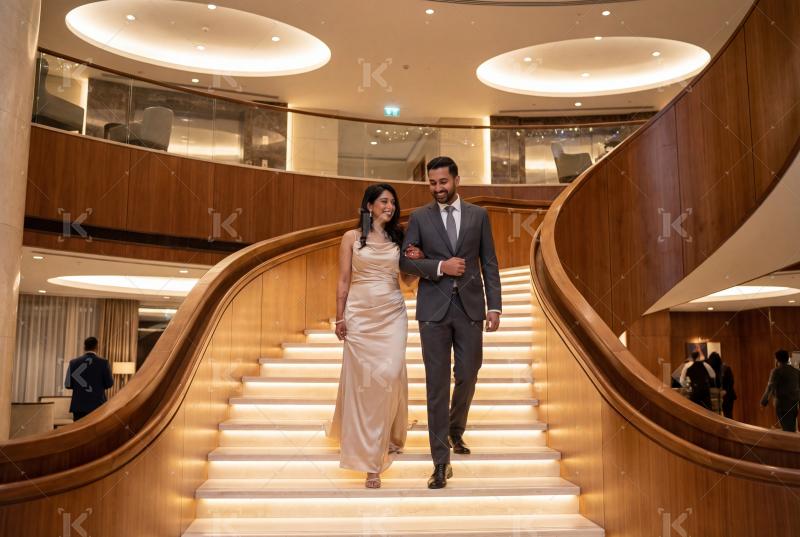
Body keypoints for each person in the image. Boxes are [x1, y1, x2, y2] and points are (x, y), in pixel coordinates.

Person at [399, 156, 502, 489]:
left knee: (468, 373)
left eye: (443, 182)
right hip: (433, 311)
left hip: (470, 308)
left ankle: (455, 430)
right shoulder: (420, 217)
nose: (437, 188)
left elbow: (489, 261)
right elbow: (406, 263)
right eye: (432, 183)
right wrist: (440, 266)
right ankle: (440, 462)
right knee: (436, 384)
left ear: (457, 180)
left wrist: (494, 306)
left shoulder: (478, 215)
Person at [328, 183, 422, 489]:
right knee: (363, 385)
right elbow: (344, 279)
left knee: (389, 375)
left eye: (392, 202)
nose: (390, 206)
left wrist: (417, 262)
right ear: (369, 206)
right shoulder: (351, 237)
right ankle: (371, 462)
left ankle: (385, 439)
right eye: (383, 201)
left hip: (392, 313)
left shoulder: (400, 238)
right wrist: (340, 316)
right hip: (359, 315)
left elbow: (408, 281)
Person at [64, 336, 113, 421]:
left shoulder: (73, 362)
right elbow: (109, 384)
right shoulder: (104, 363)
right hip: (98, 406)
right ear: (97, 347)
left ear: (84, 347)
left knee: (79, 429)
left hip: (79, 407)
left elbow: (67, 385)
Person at [760, 349, 800, 432]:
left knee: (787, 431)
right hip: (794, 405)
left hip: (782, 405)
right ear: (788, 358)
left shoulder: (776, 371)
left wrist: (763, 402)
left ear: (777, 359)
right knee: (790, 429)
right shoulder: (796, 371)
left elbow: (770, 387)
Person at [707, 351, 736, 418]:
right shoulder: (712, 369)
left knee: (728, 416)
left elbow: (731, 381)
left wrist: (725, 390)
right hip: (717, 396)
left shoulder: (725, 368)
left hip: (727, 396)